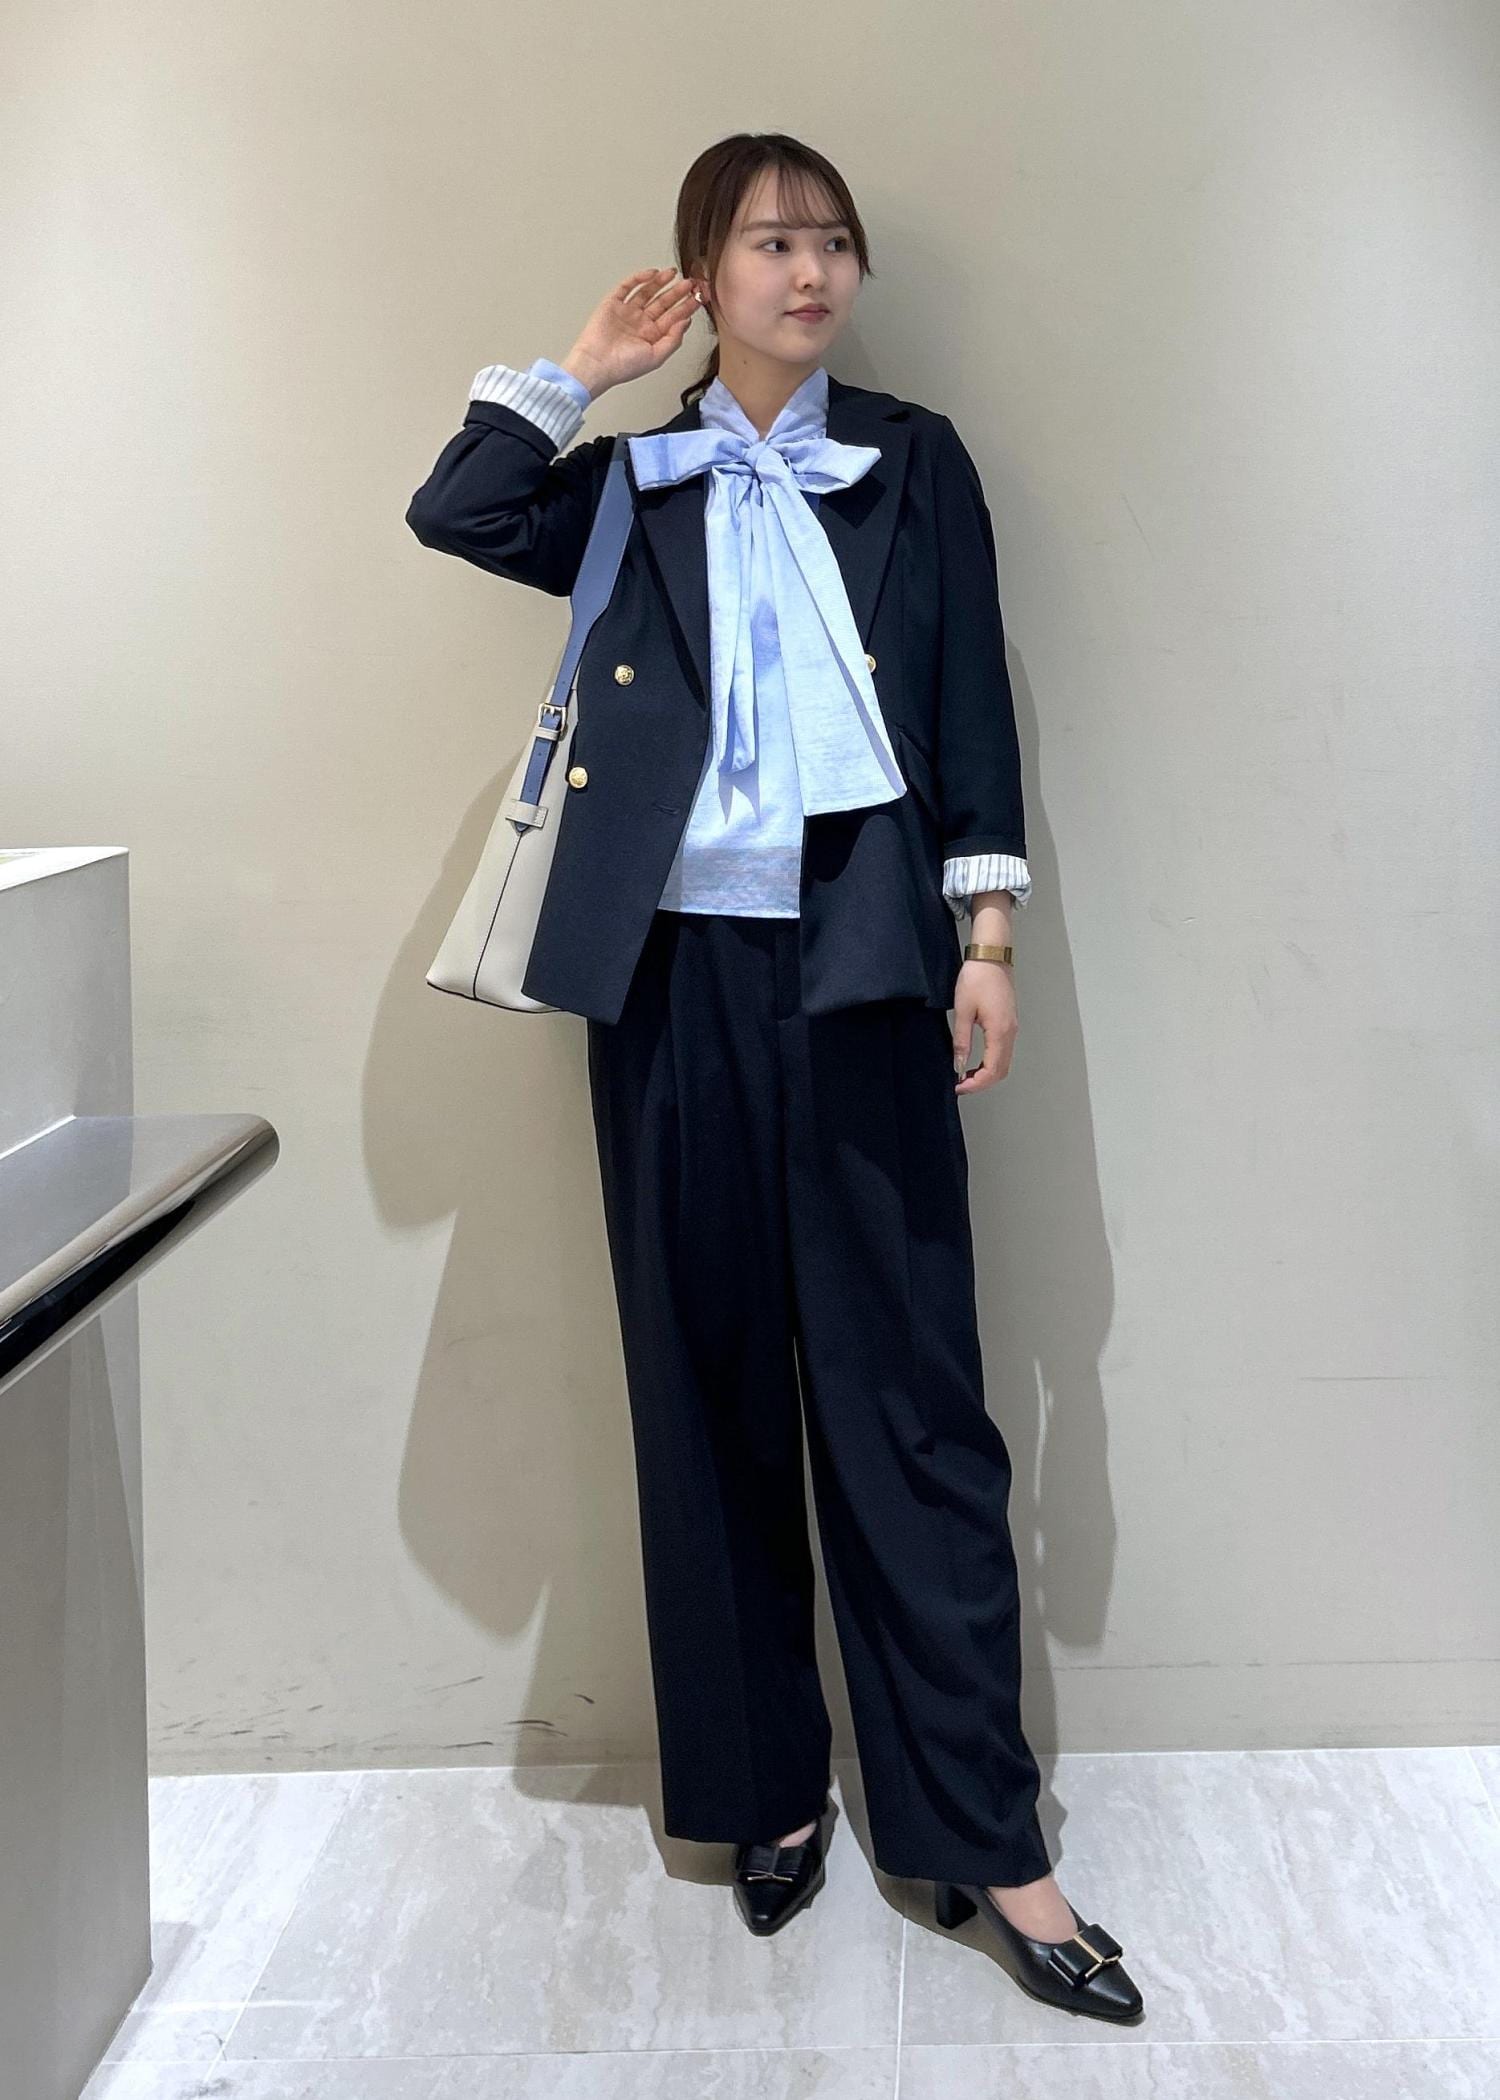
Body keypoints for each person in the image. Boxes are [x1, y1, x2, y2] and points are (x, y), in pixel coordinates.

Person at [406, 131, 1143, 2024]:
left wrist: (988, 941)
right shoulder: (631, 478)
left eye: (832, 242)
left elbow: (968, 702)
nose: (808, 273)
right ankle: (769, 1796)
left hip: (868, 959)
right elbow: (457, 510)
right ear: (703, 275)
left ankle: (987, 1837)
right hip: (666, 981)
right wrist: (583, 370)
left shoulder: (913, 462)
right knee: (705, 1380)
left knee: (911, 1403)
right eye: (767, 243)